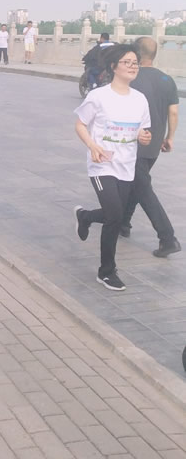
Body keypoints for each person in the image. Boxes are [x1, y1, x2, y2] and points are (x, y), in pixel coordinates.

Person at [73, 44, 151, 291]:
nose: (132, 66)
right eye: (127, 62)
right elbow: (80, 125)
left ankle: (85, 216)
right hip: (102, 165)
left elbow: (142, 130)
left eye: (135, 62)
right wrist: (92, 145)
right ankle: (106, 271)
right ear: (114, 66)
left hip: (126, 165)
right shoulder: (98, 96)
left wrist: (143, 137)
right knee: (115, 215)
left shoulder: (140, 99)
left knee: (113, 214)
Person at [119, 36, 181, 257]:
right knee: (137, 184)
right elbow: (173, 112)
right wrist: (169, 137)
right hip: (154, 145)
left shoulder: (130, 77)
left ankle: (167, 238)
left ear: (135, 54)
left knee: (143, 189)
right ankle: (123, 223)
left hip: (134, 143)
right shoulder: (167, 79)